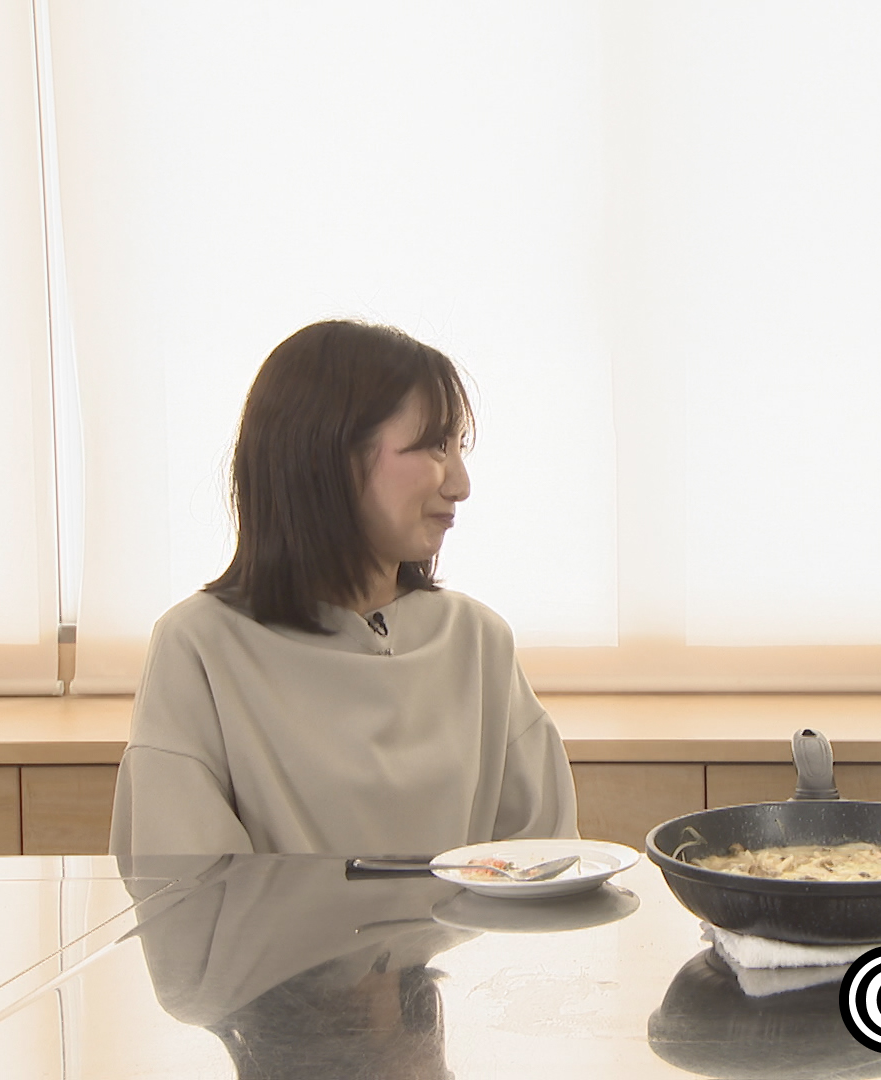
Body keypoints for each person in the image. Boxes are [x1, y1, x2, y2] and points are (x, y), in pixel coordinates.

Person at [110, 320, 578, 855]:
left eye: (459, 447)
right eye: (434, 446)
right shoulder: (198, 647)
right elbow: (185, 887)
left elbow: (545, 861)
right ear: (327, 456)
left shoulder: (478, 641)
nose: (460, 484)